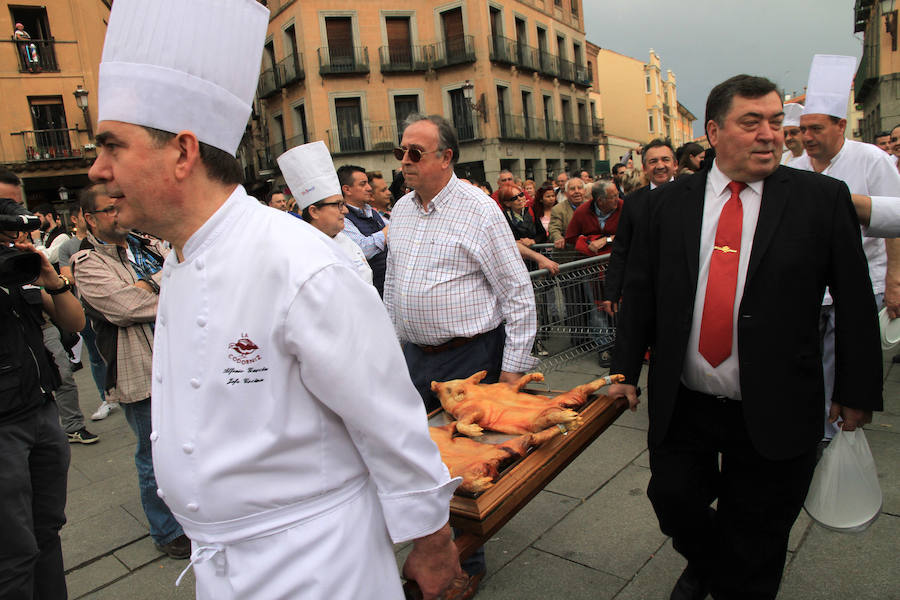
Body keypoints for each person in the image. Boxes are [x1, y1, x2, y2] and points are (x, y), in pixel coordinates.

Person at [88, 1, 462, 597]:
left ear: (184, 152)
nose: (97, 168)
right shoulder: (181, 260)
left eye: (112, 146)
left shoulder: (300, 265)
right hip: (226, 567)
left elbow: (389, 421)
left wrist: (433, 543)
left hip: (315, 566)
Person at [608, 74, 883, 600]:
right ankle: (712, 562)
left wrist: (856, 392)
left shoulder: (821, 200)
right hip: (685, 402)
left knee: (758, 530)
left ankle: (731, 579)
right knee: (674, 501)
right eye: (751, 122)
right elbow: (640, 293)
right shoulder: (665, 204)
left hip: (777, 399)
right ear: (713, 132)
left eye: (777, 122)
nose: (770, 135)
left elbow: (853, 302)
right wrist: (622, 372)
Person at [385, 113, 539, 595]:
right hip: (416, 358)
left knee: (464, 464)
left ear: (447, 157)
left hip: (467, 359)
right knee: (417, 458)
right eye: (401, 152)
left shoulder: (479, 209)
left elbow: (517, 292)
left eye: (416, 153)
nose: (405, 162)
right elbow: (393, 285)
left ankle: (467, 558)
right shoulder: (403, 209)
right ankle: (430, 548)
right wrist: (390, 352)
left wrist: (514, 368)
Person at [70, 184, 190, 559]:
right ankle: (165, 530)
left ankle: (191, 513)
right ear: (89, 219)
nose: (120, 215)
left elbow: (187, 277)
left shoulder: (141, 245)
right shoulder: (87, 263)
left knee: (187, 446)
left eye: (121, 207)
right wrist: (162, 278)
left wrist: (152, 282)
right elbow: (125, 307)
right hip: (139, 369)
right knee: (152, 455)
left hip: (179, 360)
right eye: (109, 211)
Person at [788, 54, 900, 448]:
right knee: (813, 361)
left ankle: (833, 431)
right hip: (811, 285)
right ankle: (814, 422)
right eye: (803, 129)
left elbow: (896, 219)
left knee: (846, 360)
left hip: (863, 278)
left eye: (816, 128)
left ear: (840, 125)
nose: (808, 137)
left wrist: (895, 281)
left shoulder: (873, 159)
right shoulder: (795, 167)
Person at [1, 199, 84, 599]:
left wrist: (51, 279)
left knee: (47, 529)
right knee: (14, 552)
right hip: (5, 430)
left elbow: (74, 321)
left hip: (41, 413)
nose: (12, 241)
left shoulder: (21, 272)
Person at [603, 139, 677, 316]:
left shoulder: (693, 196)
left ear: (675, 164)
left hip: (683, 288)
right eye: (653, 161)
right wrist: (612, 292)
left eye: (665, 160)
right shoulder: (633, 202)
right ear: (644, 168)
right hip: (645, 291)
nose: (660, 166)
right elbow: (621, 248)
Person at [282, 142, 374, 286]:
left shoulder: (346, 241)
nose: (345, 210)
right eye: (338, 205)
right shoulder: (299, 252)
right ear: (314, 211)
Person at [57, 202, 114, 421]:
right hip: (88, 308)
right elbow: (67, 277)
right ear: (77, 218)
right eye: (84, 214)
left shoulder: (106, 240)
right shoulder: (68, 247)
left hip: (111, 305)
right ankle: (106, 398)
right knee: (96, 356)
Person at [339, 164, 389, 296]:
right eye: (363, 184)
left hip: (386, 288)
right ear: (347, 189)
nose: (369, 188)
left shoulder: (371, 211)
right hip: (370, 292)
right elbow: (362, 249)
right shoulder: (344, 218)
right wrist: (388, 231)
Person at [496, 184, 558, 276]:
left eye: (521, 195)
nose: (520, 199)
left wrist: (532, 241)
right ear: (507, 203)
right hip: (517, 264)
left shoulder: (531, 211)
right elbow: (502, 240)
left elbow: (542, 234)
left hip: (537, 260)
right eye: (514, 198)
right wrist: (518, 243)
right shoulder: (502, 218)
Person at [547, 177, 586, 249]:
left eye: (580, 188)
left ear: (585, 191)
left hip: (590, 253)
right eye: (572, 189)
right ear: (566, 193)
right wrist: (558, 238)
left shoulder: (592, 206)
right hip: (567, 254)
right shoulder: (558, 209)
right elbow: (554, 229)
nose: (576, 191)